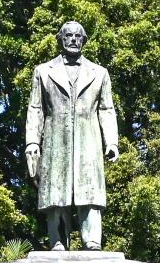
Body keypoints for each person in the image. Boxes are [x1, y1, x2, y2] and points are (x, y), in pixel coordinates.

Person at [24, 20, 119, 250]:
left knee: (90, 193)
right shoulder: (43, 71)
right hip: (56, 138)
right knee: (57, 192)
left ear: (84, 40)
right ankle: (57, 240)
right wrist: (32, 142)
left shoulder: (100, 73)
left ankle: (92, 240)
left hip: (89, 140)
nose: (73, 39)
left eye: (78, 36)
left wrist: (112, 142)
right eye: (68, 35)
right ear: (61, 39)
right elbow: (36, 108)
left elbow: (106, 109)